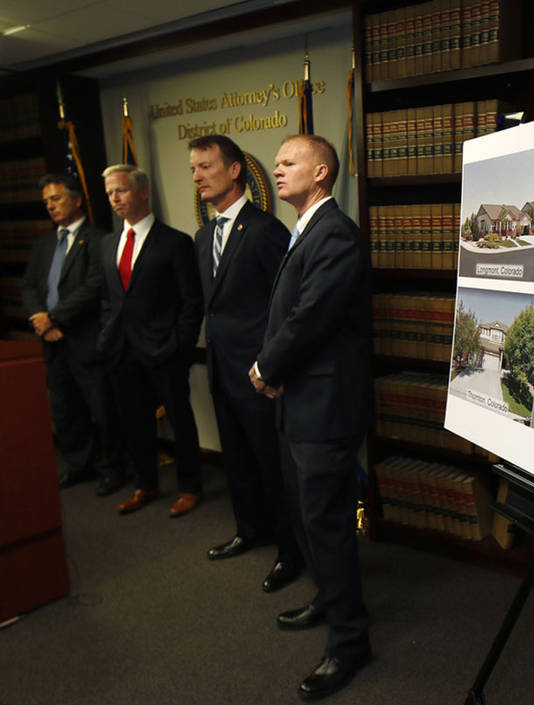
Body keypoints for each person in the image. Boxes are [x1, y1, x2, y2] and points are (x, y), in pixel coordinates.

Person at [250, 135, 372, 701]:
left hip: (324, 409)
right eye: (274, 164)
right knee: (305, 515)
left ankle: (350, 643)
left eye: (288, 162)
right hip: (298, 401)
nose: (276, 170)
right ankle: (327, 599)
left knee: (327, 523)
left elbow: (309, 317)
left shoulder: (336, 233)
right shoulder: (306, 230)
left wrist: (265, 366)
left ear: (321, 172)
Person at [188, 135, 302, 592]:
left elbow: (286, 305)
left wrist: (270, 367)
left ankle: (290, 552)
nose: (196, 176)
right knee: (236, 461)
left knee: (272, 465)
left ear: (234, 170)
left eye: (205, 166)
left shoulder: (264, 230)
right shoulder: (203, 236)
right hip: (221, 370)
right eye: (193, 168)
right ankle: (249, 529)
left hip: (258, 375)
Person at [97, 165, 204, 517]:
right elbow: (108, 299)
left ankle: (190, 487)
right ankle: (146, 484)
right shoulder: (107, 244)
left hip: (164, 351)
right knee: (134, 421)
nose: (114, 199)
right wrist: (106, 335)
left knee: (180, 418)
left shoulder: (174, 242)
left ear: (143, 192)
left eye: (122, 190)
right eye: (110, 192)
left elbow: (191, 303)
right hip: (121, 351)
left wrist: (180, 348)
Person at [21, 174, 124, 496]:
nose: (50, 206)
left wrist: (54, 317)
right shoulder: (44, 243)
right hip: (52, 342)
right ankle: (80, 465)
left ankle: (113, 469)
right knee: (66, 410)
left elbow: (94, 286)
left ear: (77, 200)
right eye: (47, 202)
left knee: (102, 410)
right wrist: (40, 320)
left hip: (84, 339)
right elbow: (30, 287)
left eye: (56, 199)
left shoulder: (98, 240)